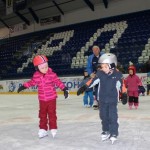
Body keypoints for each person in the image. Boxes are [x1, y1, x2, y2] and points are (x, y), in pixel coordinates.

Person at [77, 53, 127, 144]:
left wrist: (124, 94)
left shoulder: (118, 75)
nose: (102, 68)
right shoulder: (100, 74)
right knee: (103, 116)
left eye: (104, 66)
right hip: (102, 100)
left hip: (112, 100)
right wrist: (84, 87)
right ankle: (106, 130)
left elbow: (122, 85)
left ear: (111, 66)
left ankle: (114, 133)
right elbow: (92, 81)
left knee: (113, 117)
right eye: (101, 66)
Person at [17, 55, 69, 138]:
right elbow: (32, 82)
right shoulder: (36, 75)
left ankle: (53, 128)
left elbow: (58, 82)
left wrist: (64, 89)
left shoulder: (52, 74)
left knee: (52, 114)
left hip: (51, 98)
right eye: (43, 68)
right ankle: (43, 129)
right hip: (42, 99)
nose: (45, 69)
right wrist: (24, 86)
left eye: (46, 67)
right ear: (37, 68)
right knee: (42, 114)